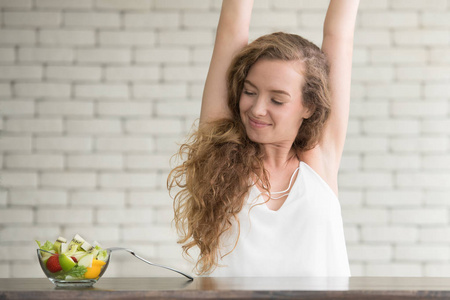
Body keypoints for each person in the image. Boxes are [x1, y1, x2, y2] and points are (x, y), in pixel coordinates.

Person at [168, 0, 359, 277]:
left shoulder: (319, 159)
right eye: (249, 92)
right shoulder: (223, 155)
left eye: (277, 100)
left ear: (308, 107)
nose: (257, 109)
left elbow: (340, 35)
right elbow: (231, 29)